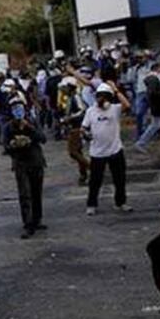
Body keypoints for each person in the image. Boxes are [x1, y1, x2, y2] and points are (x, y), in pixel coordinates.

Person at [81, 82, 133, 216]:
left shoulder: (114, 109)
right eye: (99, 97)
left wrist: (116, 90)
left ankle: (121, 202)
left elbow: (127, 105)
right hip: (97, 153)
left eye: (105, 97)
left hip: (115, 150)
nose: (101, 100)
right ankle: (91, 205)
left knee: (119, 179)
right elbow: (84, 128)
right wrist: (86, 134)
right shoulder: (91, 111)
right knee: (95, 181)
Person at [3, 96, 47, 238]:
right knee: (25, 194)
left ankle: (37, 219)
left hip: (36, 161)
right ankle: (28, 223)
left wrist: (29, 128)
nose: (18, 111)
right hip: (20, 163)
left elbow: (43, 138)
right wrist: (14, 145)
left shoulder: (32, 122)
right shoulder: (8, 127)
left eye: (20, 107)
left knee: (36, 192)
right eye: (15, 108)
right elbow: (6, 147)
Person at [59, 77, 90, 186]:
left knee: (74, 152)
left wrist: (70, 118)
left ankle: (90, 168)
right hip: (73, 127)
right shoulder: (70, 98)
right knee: (77, 151)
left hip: (77, 127)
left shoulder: (76, 97)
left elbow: (82, 111)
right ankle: (83, 174)